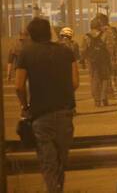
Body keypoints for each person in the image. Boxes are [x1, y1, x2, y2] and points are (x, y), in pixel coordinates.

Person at [15, 18, 79, 193]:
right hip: (65, 113)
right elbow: (75, 83)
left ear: (31, 35)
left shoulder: (26, 54)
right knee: (60, 163)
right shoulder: (66, 52)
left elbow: (19, 86)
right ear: (49, 32)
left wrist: (25, 106)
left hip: (41, 115)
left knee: (48, 164)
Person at [81, 14, 114, 107]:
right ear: (99, 26)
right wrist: (111, 58)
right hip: (104, 60)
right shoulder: (105, 35)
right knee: (105, 79)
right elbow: (110, 48)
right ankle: (104, 97)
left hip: (92, 61)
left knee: (94, 80)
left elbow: (83, 50)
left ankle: (96, 100)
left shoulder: (86, 36)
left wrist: (83, 60)